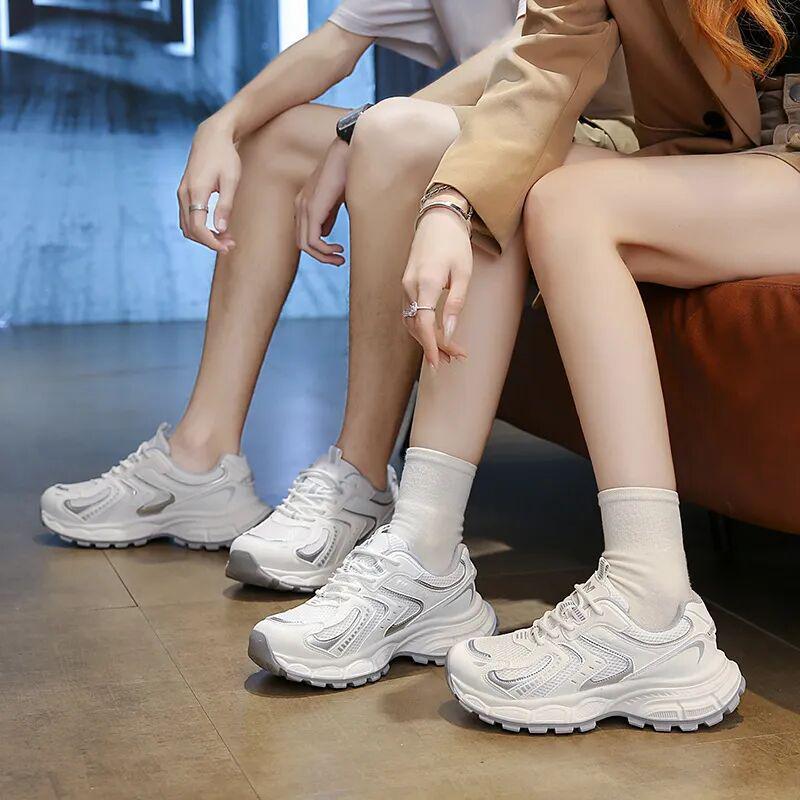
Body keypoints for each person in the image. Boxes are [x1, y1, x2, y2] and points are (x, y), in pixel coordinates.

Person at [249, 0, 799, 736]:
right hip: (722, 157)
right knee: (489, 174)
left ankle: (652, 601)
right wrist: (449, 205)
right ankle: (424, 550)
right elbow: (548, 55)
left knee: (570, 206)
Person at [40, 1, 634, 584]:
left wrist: (360, 131)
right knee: (274, 139)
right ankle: (200, 458)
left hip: (594, 133)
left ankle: (361, 478)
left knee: (395, 138)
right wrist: (222, 124)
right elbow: (335, 42)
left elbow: (539, 49)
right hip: (476, 125)